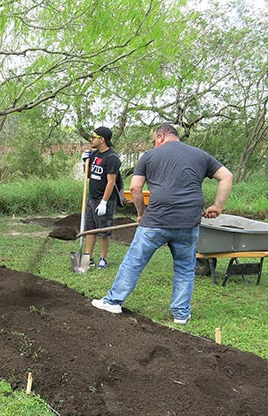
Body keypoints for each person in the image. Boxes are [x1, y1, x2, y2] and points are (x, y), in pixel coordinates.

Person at [91, 124, 233, 324]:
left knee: (134, 261)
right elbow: (227, 176)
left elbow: (135, 187)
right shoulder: (201, 155)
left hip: (156, 220)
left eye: (153, 141)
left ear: (160, 137)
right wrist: (218, 206)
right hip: (188, 222)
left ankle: (113, 301)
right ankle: (181, 314)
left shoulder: (149, 156)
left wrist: (141, 213)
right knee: (184, 268)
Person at [80, 126, 122, 269]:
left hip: (105, 200)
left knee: (103, 231)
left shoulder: (112, 158)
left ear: (102, 139)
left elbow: (111, 182)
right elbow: (88, 175)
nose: (91, 139)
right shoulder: (94, 155)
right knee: (90, 229)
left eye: (94, 137)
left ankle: (103, 259)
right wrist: (84, 162)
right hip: (92, 198)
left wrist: (104, 202)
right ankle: (87, 257)